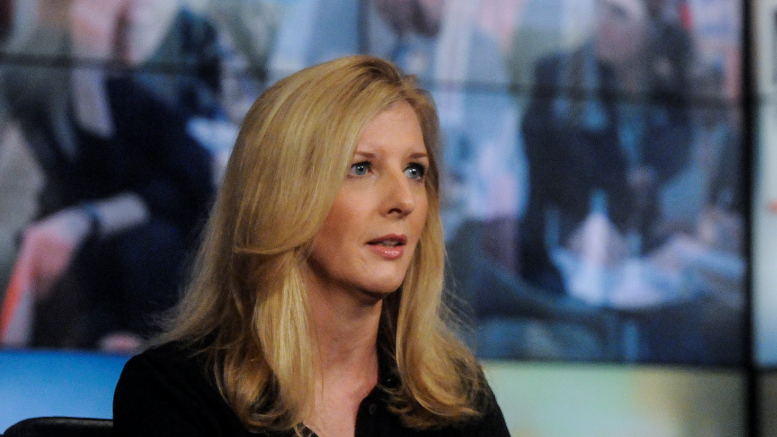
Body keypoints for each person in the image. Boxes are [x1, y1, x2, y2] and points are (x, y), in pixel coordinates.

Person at [112, 56, 510, 436]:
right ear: (280, 197)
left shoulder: (456, 398)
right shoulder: (175, 393)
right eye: (361, 167)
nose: (403, 200)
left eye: (414, 170)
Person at [2, 0, 220, 350]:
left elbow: (188, 188)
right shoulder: (29, 74)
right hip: (82, 261)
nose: (131, 12)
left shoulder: (153, 85)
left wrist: (83, 221)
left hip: (156, 257)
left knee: (149, 247)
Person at [519, 0, 693, 293]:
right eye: (600, 9)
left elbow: (677, 154)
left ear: (651, 29)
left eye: (619, 13)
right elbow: (542, 176)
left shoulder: (667, 86)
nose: (603, 22)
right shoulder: (558, 75)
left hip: (642, 256)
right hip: (565, 255)